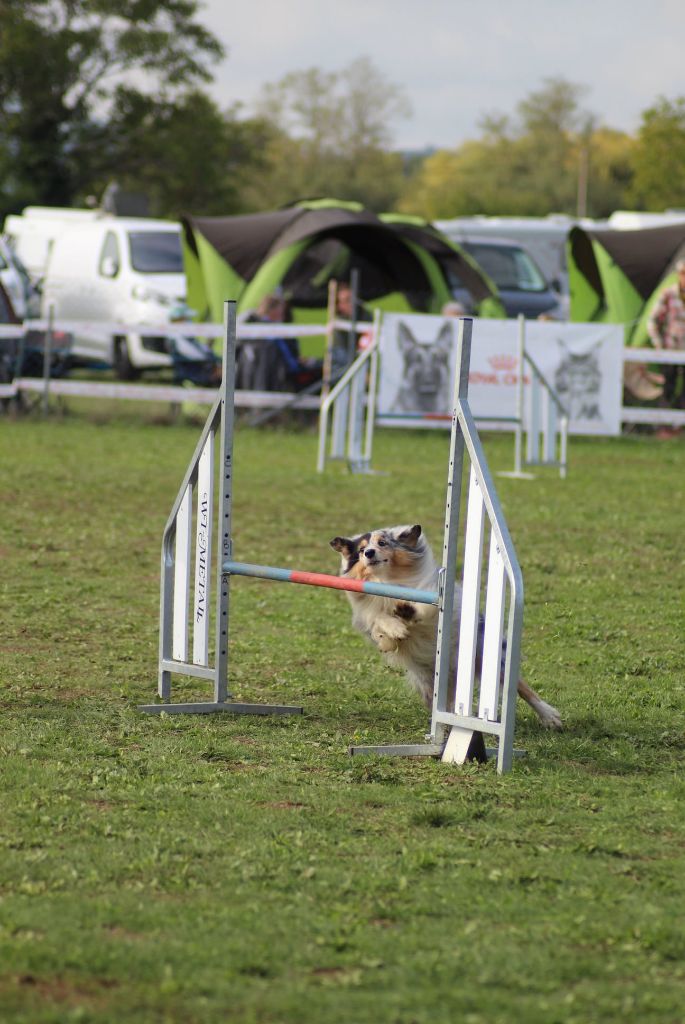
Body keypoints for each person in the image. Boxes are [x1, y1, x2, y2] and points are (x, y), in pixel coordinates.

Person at [647, 258, 685, 409]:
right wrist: (659, 345)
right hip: (670, 349)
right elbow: (652, 321)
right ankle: (664, 425)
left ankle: (680, 426)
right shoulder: (669, 294)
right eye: (683, 273)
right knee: (668, 387)